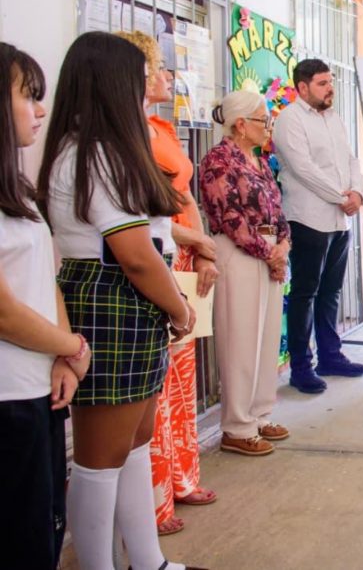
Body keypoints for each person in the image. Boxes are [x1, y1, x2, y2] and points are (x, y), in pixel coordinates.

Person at [37, 32, 201, 570]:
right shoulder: (93, 154)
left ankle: (147, 559)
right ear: (112, 84)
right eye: (139, 78)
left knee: (134, 442)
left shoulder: (99, 150)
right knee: (99, 459)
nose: (147, 88)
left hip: (128, 301)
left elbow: (148, 238)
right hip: (112, 299)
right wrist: (178, 308)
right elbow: (133, 254)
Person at [116, 30, 218, 535]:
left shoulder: (160, 127)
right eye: (157, 68)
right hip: (152, 252)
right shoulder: (121, 134)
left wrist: (201, 249)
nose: (166, 77)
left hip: (183, 252)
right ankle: (151, 506)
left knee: (182, 380)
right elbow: (148, 216)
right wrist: (192, 242)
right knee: (153, 388)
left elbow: (186, 197)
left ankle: (181, 479)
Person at [0, 43, 91, 570]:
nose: (39, 110)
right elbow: (5, 311)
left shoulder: (16, 186)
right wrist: (75, 345)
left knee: (46, 529)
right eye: (28, 96)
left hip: (41, 387)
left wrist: (64, 356)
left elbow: (44, 279)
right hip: (9, 394)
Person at [201, 91, 291, 455]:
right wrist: (269, 252)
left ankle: (259, 413)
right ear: (240, 125)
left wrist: (282, 246)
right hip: (239, 253)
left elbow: (277, 208)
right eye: (262, 120)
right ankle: (237, 426)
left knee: (267, 336)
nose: (268, 126)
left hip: (269, 253)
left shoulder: (259, 161)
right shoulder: (218, 161)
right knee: (240, 339)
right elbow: (231, 218)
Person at [273, 59, 363, 394]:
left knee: (331, 292)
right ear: (302, 87)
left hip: (339, 220)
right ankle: (302, 367)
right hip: (308, 218)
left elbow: (351, 159)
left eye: (331, 82)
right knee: (305, 293)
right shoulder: (289, 120)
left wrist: (357, 192)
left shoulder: (334, 119)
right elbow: (302, 168)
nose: (330, 89)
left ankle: (331, 355)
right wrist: (342, 196)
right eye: (323, 83)